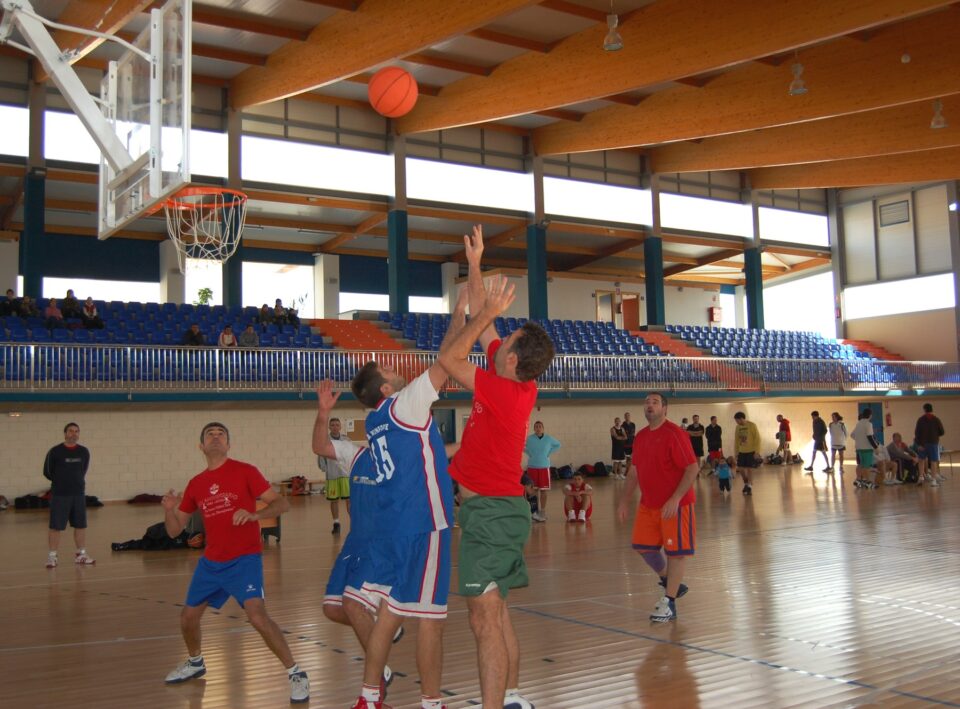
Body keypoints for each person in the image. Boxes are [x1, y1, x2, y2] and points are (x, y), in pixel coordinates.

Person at [437, 225, 554, 709]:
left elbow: (448, 357)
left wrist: (479, 310)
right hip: (499, 513)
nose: (502, 336)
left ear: (512, 358)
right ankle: (512, 697)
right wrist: (476, 264)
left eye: (510, 337)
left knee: (483, 621)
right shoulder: (507, 375)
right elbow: (484, 329)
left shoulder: (503, 391)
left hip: (489, 516)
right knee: (497, 615)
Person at [345, 287, 469, 709]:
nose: (395, 369)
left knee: (392, 612)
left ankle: (367, 696)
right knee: (431, 620)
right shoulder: (403, 406)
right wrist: (460, 311)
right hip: (425, 525)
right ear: (384, 387)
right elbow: (448, 360)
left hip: (395, 527)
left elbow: (427, 458)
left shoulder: (376, 420)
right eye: (387, 368)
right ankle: (432, 702)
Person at [161, 422, 309, 703]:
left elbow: (282, 504)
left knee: (257, 616)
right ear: (201, 446)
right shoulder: (196, 484)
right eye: (210, 435)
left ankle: (296, 672)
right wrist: (169, 511)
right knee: (188, 618)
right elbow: (173, 530)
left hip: (244, 559)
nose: (216, 438)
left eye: (221, 435)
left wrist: (255, 515)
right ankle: (195, 662)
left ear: (228, 444)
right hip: (212, 562)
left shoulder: (246, 471)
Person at [312, 382, 399, 702]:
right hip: (354, 543)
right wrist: (323, 413)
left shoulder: (405, 459)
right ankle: (385, 629)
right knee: (332, 609)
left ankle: (379, 670)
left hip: (383, 544)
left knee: (351, 604)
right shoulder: (357, 454)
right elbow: (320, 447)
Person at [617, 392, 698, 623]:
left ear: (665, 409)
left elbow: (692, 468)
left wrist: (675, 498)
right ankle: (669, 580)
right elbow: (634, 471)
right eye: (646, 402)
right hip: (648, 505)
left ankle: (669, 601)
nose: (649, 405)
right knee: (643, 546)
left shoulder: (675, 434)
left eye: (655, 402)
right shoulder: (641, 437)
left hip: (676, 505)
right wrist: (623, 501)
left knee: (676, 553)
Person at [44, 422, 94, 568]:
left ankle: (81, 554)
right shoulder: (55, 451)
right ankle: (52, 556)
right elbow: (47, 472)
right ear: (65, 433)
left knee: (80, 525)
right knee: (56, 526)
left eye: (77, 431)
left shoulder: (84, 452)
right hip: (60, 495)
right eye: (71, 431)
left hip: (78, 494)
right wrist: (61, 481)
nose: (74, 434)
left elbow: (83, 470)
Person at [317, 416, 350, 534]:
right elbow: (321, 455)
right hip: (332, 475)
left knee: (349, 500)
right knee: (334, 500)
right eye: (333, 425)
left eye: (337, 425)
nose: (335, 427)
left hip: (345, 474)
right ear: (329, 427)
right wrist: (325, 468)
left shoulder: (346, 440)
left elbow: (350, 454)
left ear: (340, 427)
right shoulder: (325, 440)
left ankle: (353, 524)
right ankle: (336, 523)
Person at [524, 421, 561, 522]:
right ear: (534, 428)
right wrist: (529, 453)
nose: (538, 428)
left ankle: (542, 512)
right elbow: (522, 445)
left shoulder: (548, 438)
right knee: (533, 491)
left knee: (543, 491)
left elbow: (558, 444)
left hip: (544, 467)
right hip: (532, 467)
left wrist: (548, 453)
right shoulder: (530, 439)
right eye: (536, 426)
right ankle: (534, 512)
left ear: (543, 428)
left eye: (540, 426)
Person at [915, 402, 946, 484]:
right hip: (933, 443)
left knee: (921, 460)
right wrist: (935, 434)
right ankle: (933, 480)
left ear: (924, 410)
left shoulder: (920, 420)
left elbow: (917, 433)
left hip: (922, 444)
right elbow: (942, 432)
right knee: (933, 461)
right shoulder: (936, 419)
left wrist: (918, 444)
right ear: (932, 409)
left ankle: (921, 477)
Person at [850, 409, 880, 489]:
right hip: (866, 449)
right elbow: (870, 437)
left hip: (859, 448)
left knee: (861, 464)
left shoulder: (859, 423)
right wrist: (876, 447)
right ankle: (868, 482)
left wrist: (859, 440)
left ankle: (858, 480)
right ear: (870, 415)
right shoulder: (868, 424)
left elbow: (852, 435)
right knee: (867, 466)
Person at [732, 411, 759, 496]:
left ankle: (749, 486)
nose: (736, 422)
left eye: (737, 420)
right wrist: (736, 452)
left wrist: (756, 451)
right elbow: (736, 440)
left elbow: (757, 439)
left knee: (750, 469)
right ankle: (746, 482)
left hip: (751, 451)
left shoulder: (752, 425)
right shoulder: (737, 427)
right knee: (740, 469)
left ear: (741, 419)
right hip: (741, 451)